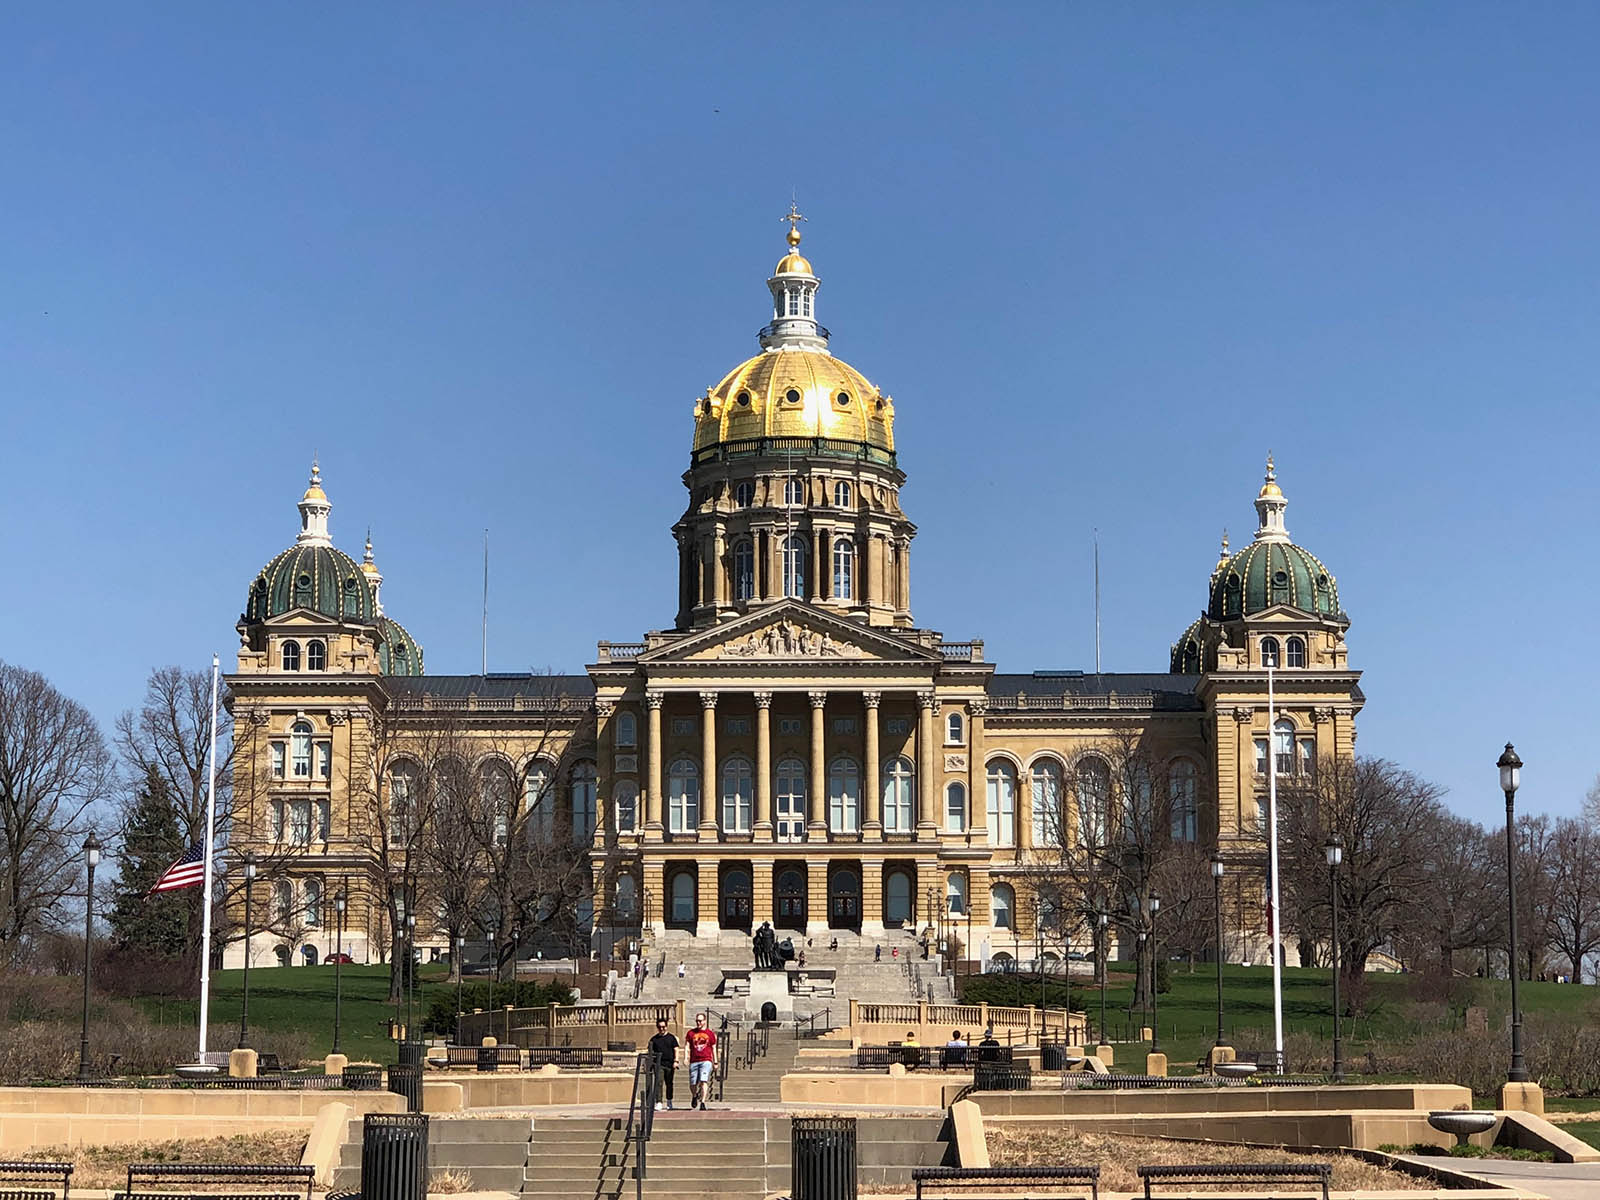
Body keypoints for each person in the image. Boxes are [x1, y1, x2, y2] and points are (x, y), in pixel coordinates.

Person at [685, 1012, 718, 1110]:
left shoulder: (710, 1033)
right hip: (694, 1060)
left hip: (706, 1060)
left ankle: (703, 1102)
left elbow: (713, 1047)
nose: (698, 1023)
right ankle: (694, 1096)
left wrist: (715, 1061)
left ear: (704, 1021)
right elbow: (687, 1046)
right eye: (697, 1021)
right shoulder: (691, 1033)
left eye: (700, 1021)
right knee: (693, 1083)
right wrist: (686, 1057)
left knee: (703, 1081)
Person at [647, 1018, 679, 1111]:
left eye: (663, 1027)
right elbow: (650, 1051)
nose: (662, 1029)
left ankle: (669, 1101)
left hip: (669, 1064)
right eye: (660, 1027)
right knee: (659, 1082)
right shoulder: (654, 1039)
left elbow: (676, 1049)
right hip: (659, 1064)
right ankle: (659, 1102)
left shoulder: (671, 1038)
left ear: (666, 1026)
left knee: (669, 1083)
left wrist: (676, 1061)